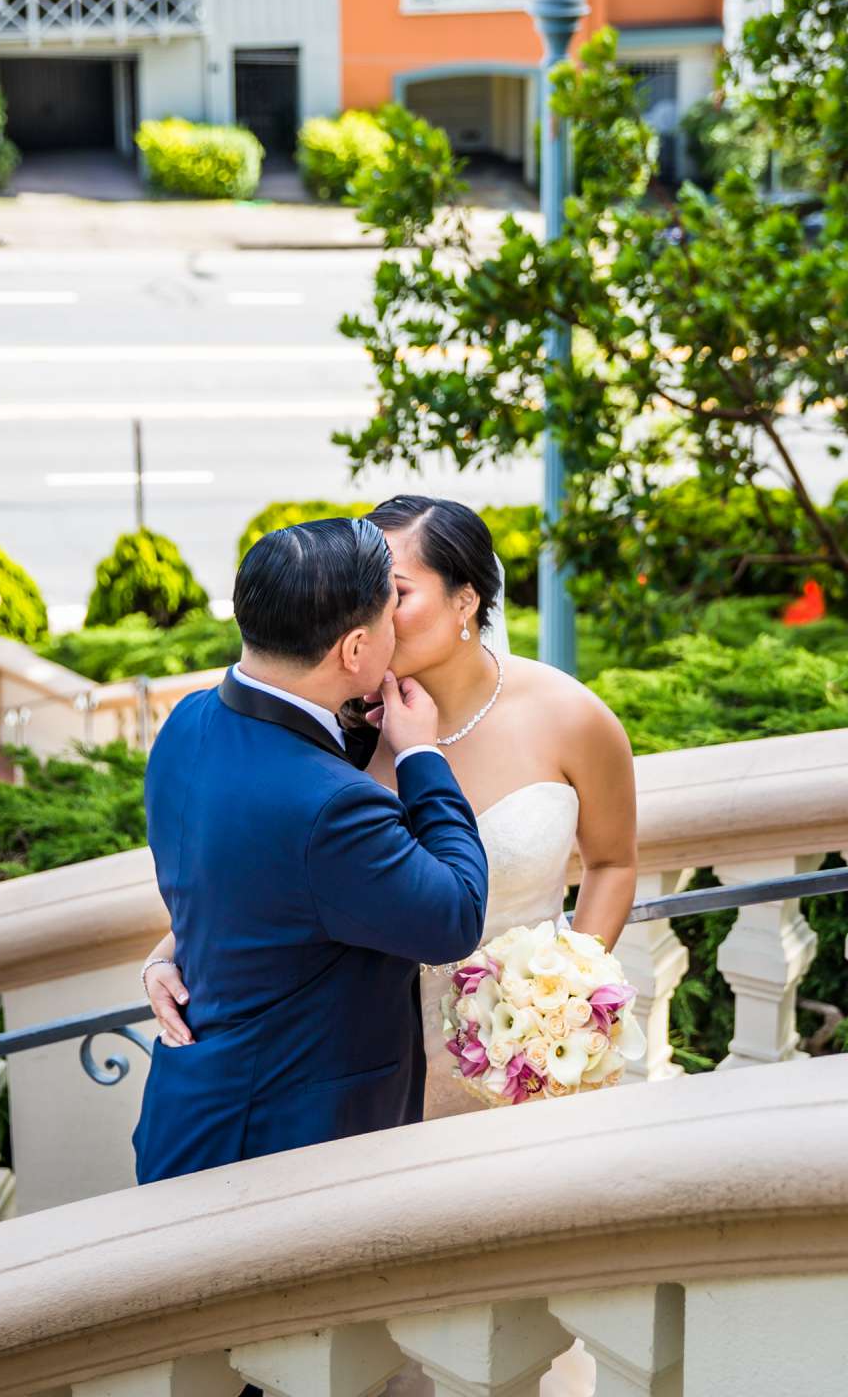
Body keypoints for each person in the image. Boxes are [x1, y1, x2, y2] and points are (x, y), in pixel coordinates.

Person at [141, 497, 641, 1118]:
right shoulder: (337, 729)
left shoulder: (570, 715)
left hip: (532, 1059)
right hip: (374, 1069)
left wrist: (562, 1004)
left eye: (394, 591)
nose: (372, 609)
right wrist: (169, 953)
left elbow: (613, 863)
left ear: (467, 600)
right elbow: (286, 869)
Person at [130, 517, 489, 1184]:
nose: (397, 630)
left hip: (192, 1110)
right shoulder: (330, 806)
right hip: (280, 1148)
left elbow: (240, 882)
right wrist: (420, 756)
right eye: (389, 615)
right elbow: (455, 916)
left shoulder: (188, 721)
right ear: (355, 649)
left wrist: (173, 946)